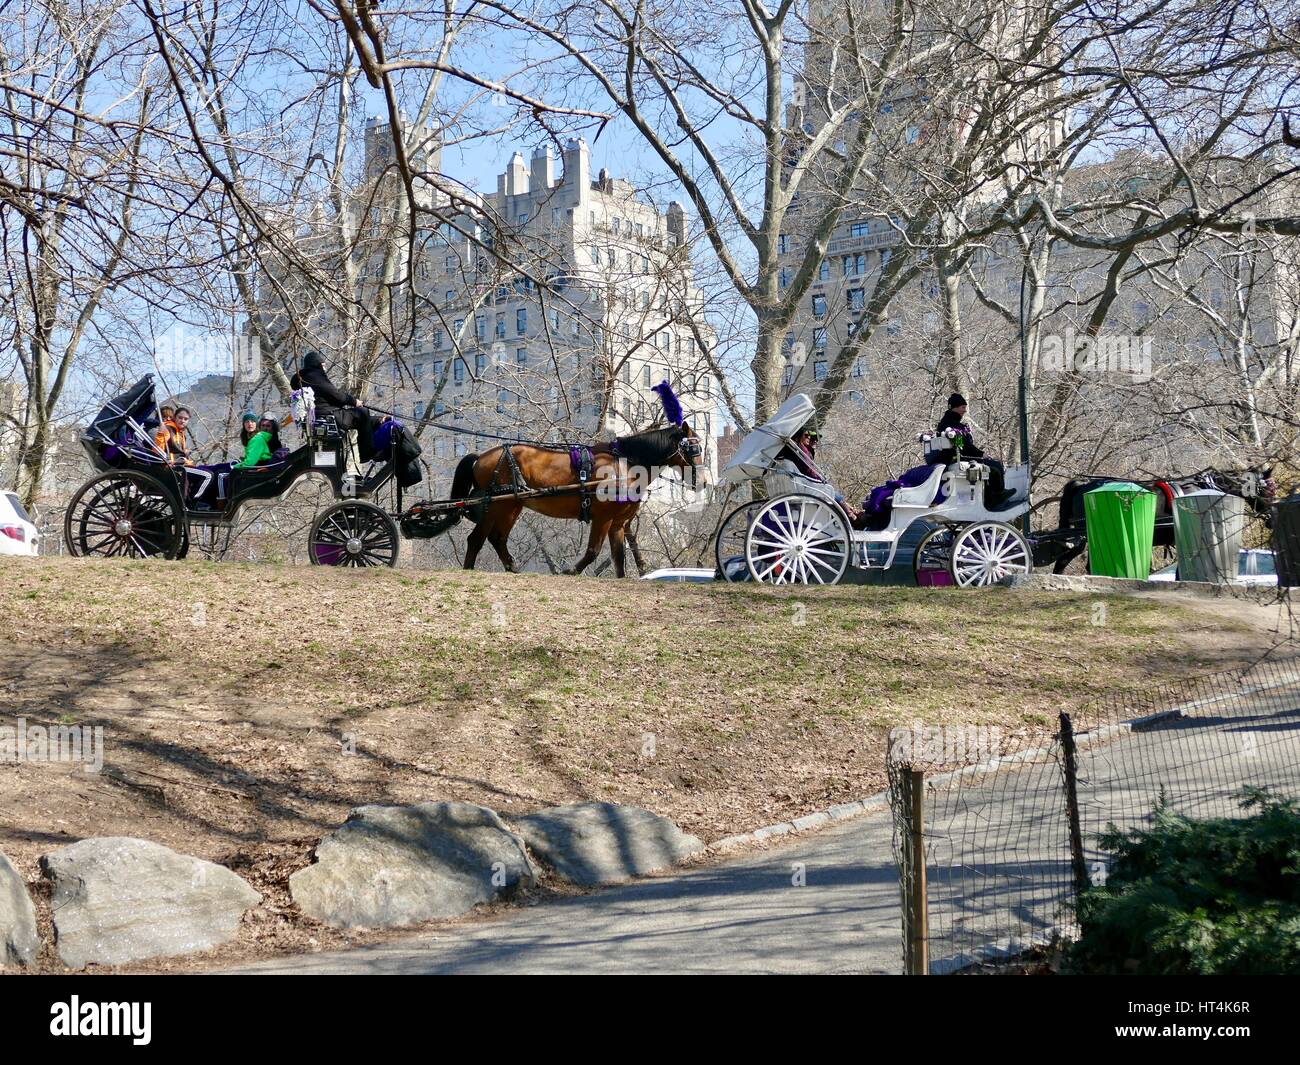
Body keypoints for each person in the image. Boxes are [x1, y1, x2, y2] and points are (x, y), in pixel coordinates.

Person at [934, 393, 1011, 506]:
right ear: (955, 407)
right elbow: (964, 447)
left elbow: (963, 445)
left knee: (992, 467)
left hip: (952, 458)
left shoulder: (946, 423)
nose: (964, 410)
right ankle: (997, 497)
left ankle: (990, 497)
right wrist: (981, 454)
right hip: (958, 459)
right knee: (996, 466)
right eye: (963, 407)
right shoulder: (952, 426)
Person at [776, 426, 860, 522]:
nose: (809, 438)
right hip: (805, 486)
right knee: (829, 490)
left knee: (831, 491)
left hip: (801, 484)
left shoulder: (796, 450)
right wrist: (819, 478)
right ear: (798, 436)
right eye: (806, 435)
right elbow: (809, 470)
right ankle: (850, 514)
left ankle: (850, 512)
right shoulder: (800, 450)